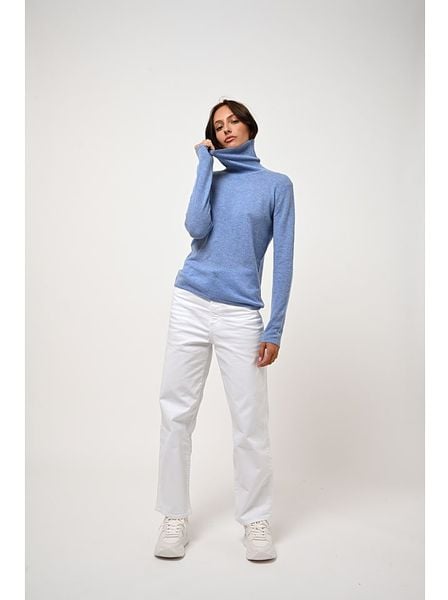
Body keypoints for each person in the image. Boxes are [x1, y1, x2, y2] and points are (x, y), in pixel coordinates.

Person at [153, 98, 295, 561]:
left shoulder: (276, 186)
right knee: (176, 413)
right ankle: (174, 516)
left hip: (240, 315)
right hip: (190, 302)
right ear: (212, 136)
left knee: (250, 422)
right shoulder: (210, 180)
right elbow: (195, 227)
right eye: (218, 125)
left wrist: (274, 327)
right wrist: (202, 165)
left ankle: (256, 520)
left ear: (250, 127)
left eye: (234, 120)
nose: (227, 128)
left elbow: (284, 259)